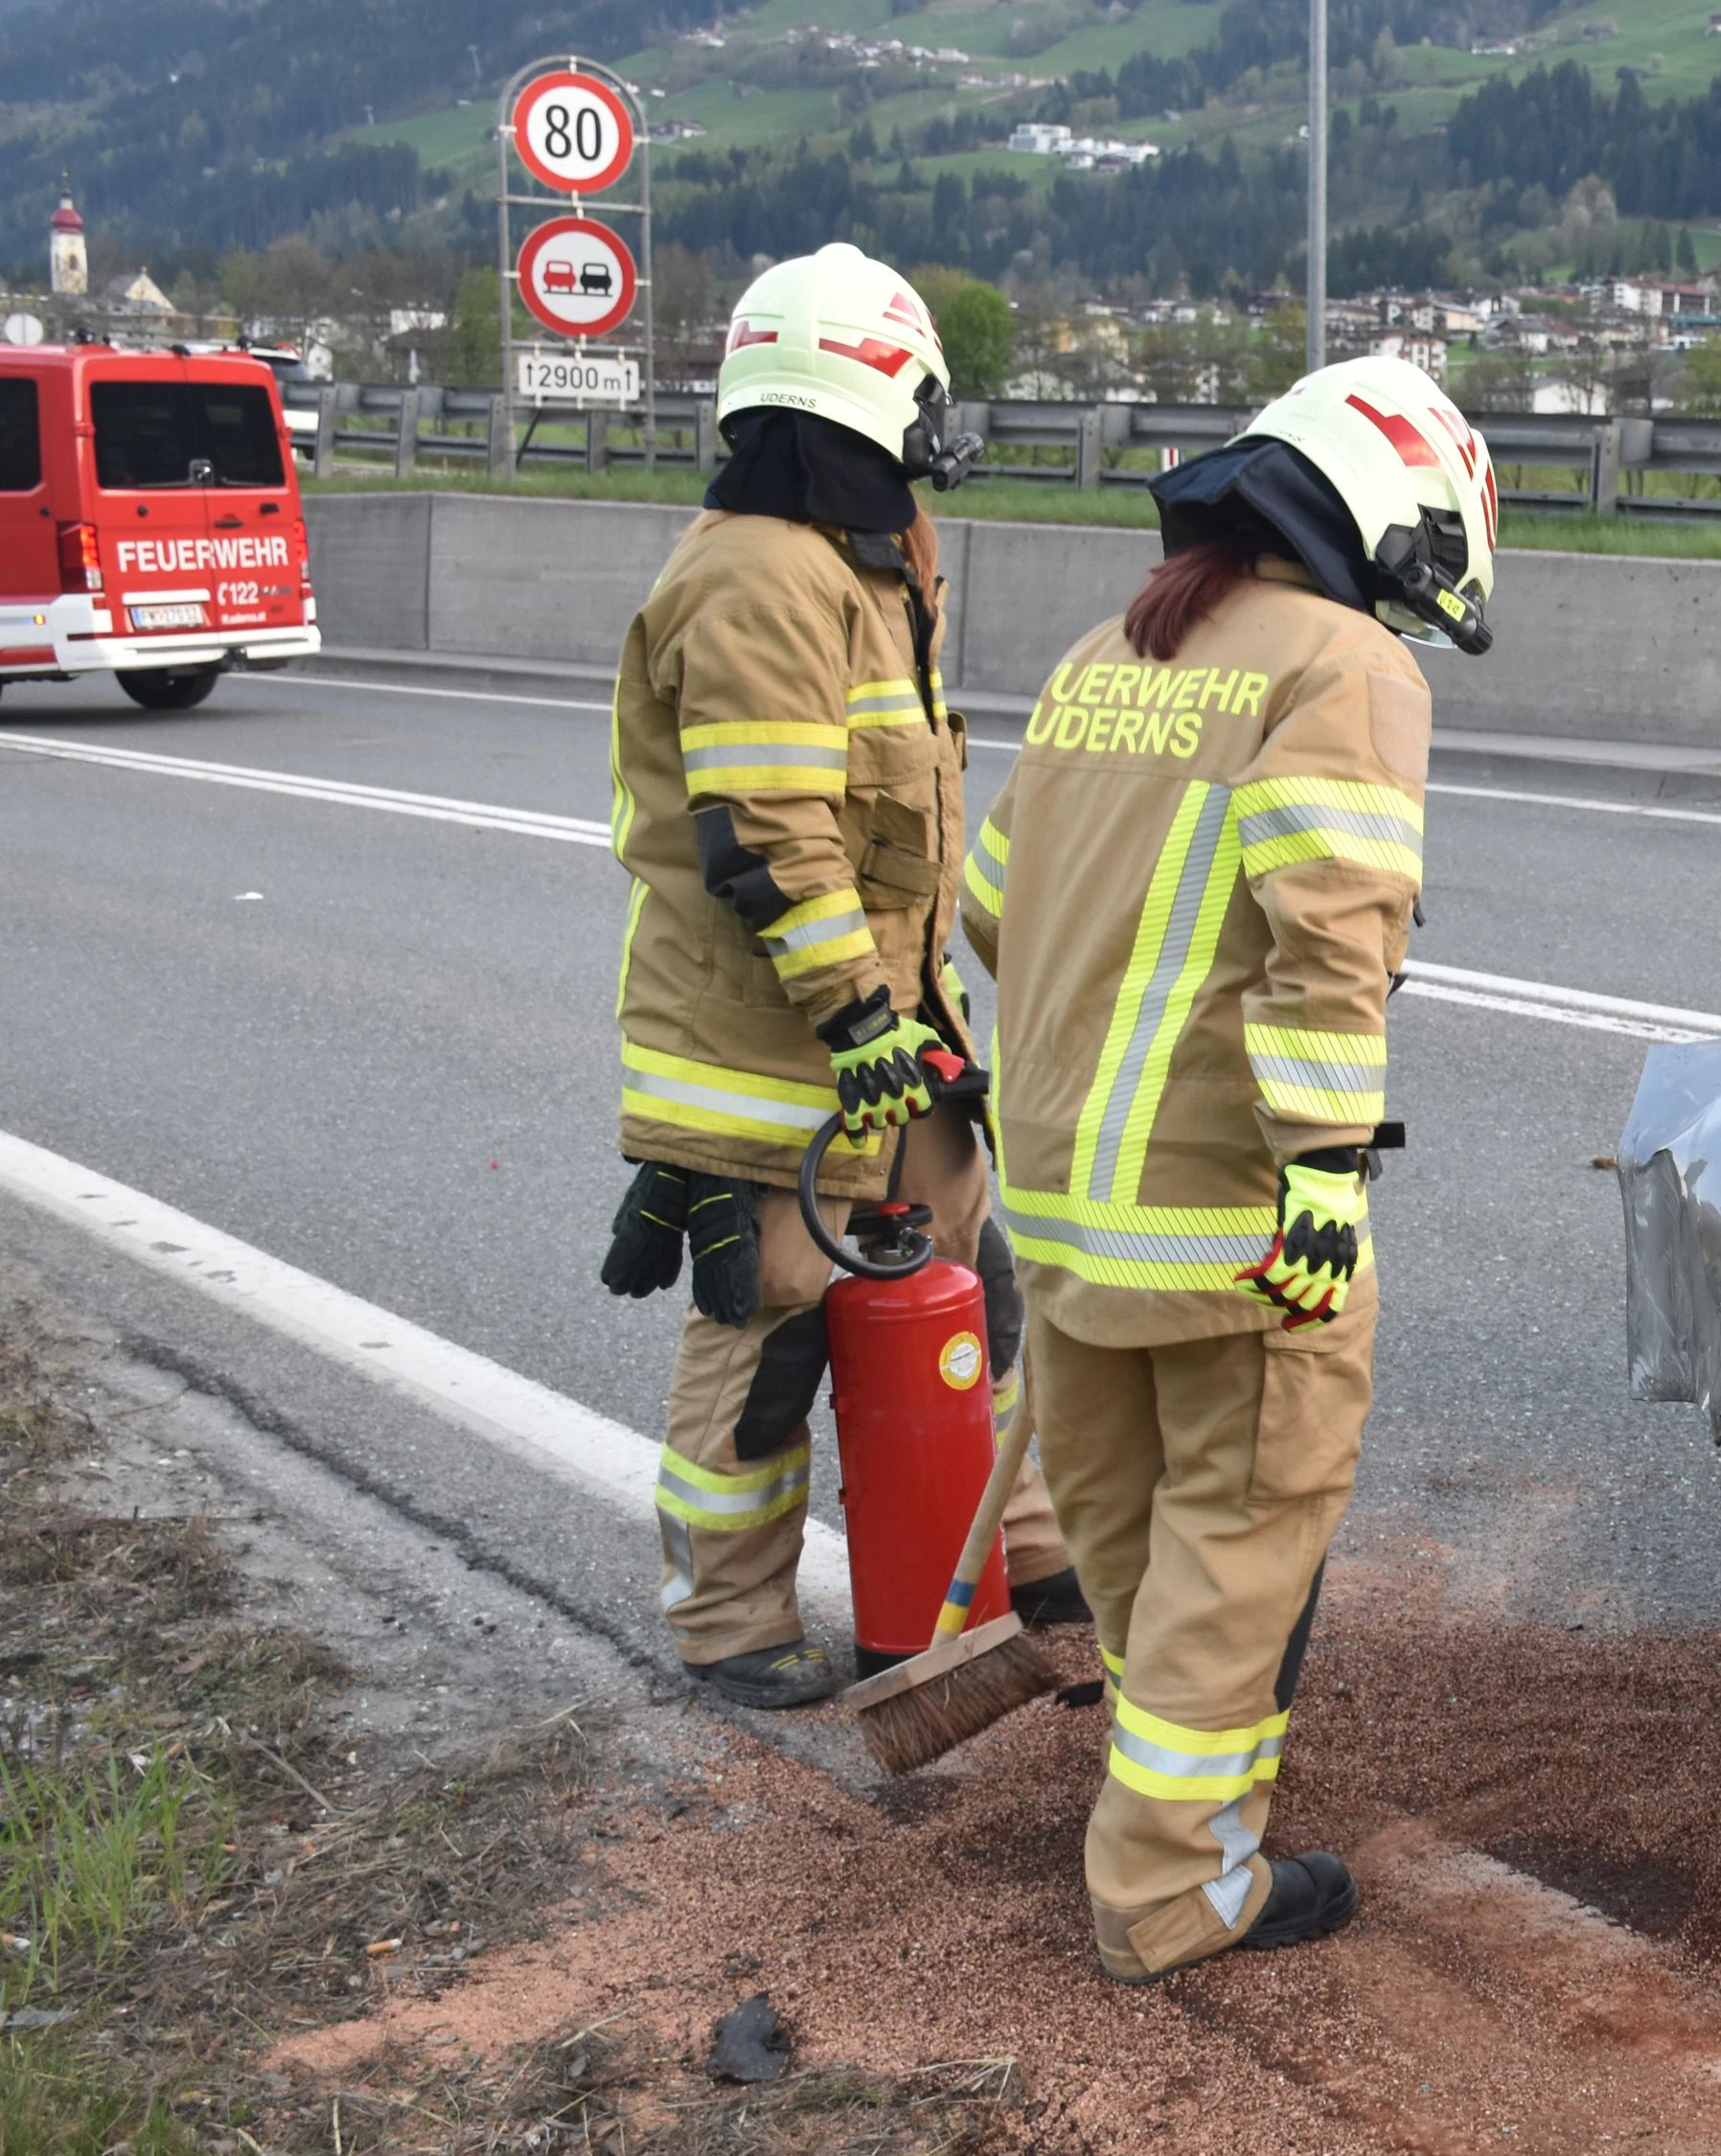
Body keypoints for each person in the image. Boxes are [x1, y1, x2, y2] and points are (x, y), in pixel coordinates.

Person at [958, 356, 1494, 1982]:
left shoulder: (1106, 653)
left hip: (1060, 1199)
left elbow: (993, 903)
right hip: (1229, 1209)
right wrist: (1325, 1172)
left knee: (1127, 1538)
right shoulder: (1344, 665)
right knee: (1243, 1523)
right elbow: (1329, 938)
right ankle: (1175, 1886)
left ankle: (1179, 1787)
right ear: (1389, 516)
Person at [598, 241, 1082, 1709]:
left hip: (891, 1038)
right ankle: (728, 1619)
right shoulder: (755, 578)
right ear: (866, 394)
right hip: (779, 1057)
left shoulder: (867, 565)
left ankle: (1020, 1551)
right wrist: (858, 1014)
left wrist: (904, 1024)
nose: (937, 426)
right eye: (921, 393)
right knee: (773, 1333)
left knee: (972, 1300)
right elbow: (768, 834)